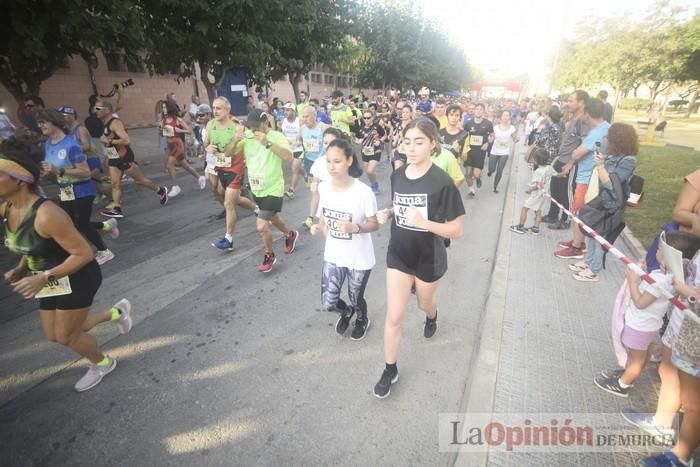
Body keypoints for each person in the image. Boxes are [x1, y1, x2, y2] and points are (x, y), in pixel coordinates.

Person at [1, 137, 132, 392]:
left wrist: (43, 276)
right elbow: (31, 243)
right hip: (49, 280)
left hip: (77, 275)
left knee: (67, 335)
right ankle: (116, 313)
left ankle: (103, 363)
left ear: (18, 179)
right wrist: (22, 268)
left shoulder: (47, 214)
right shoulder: (7, 208)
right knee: (55, 334)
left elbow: (83, 254)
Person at [373, 117, 465, 399]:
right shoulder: (397, 175)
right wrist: (387, 212)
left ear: (432, 144)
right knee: (394, 315)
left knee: (424, 302)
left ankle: (432, 315)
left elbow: (457, 229)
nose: (411, 148)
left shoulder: (442, 181)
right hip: (399, 253)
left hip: (429, 257)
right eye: (407, 142)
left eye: (419, 142)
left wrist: (426, 223)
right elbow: (399, 203)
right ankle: (390, 369)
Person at [593, 232, 699, 397]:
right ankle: (628, 374)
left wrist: (632, 280)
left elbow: (640, 302)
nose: (655, 252)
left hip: (639, 325)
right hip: (649, 325)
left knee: (636, 358)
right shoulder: (671, 278)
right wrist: (642, 272)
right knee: (643, 354)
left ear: (670, 258)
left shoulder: (661, 281)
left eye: (659, 250)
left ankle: (623, 384)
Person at [624, 245, 700, 467]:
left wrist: (686, 291)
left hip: (695, 337)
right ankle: (661, 423)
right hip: (681, 324)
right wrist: (680, 268)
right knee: (667, 372)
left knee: (693, 403)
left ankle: (681, 457)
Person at [309, 138, 378, 340]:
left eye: (337, 161)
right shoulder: (324, 188)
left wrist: (354, 227)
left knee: (356, 297)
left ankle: (362, 318)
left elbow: (374, 223)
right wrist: (319, 226)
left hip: (359, 257)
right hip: (334, 254)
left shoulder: (363, 192)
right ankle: (345, 312)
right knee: (328, 301)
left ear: (349, 160)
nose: (331, 166)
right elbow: (324, 216)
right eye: (328, 161)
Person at [37, 109, 117, 265]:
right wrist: (47, 174)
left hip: (82, 189)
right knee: (69, 223)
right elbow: (53, 170)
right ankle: (107, 225)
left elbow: (85, 172)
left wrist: (59, 170)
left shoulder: (71, 145)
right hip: (66, 190)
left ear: (54, 121)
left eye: (44, 122)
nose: (41, 125)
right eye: (39, 123)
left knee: (81, 223)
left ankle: (105, 251)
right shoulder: (47, 144)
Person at [568, 122, 636, 281]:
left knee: (600, 238)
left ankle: (594, 271)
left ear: (616, 140)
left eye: (608, 137)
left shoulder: (628, 161)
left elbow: (612, 184)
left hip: (612, 206)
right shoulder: (614, 156)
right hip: (601, 201)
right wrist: (603, 161)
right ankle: (588, 261)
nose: (605, 140)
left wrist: (600, 165)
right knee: (592, 234)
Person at [235, 109, 299, 272]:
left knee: (262, 225)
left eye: (256, 126)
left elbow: (288, 157)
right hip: (256, 188)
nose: (254, 130)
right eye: (251, 127)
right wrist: (236, 139)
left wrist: (267, 143)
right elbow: (229, 153)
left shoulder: (277, 137)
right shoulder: (248, 136)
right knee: (273, 217)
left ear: (265, 123)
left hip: (273, 188)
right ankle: (290, 234)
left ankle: (269, 255)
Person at [555, 98, 612, 261]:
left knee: (578, 212)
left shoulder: (596, 133)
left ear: (587, 114)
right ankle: (577, 240)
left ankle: (576, 247)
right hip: (594, 177)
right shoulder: (608, 127)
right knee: (580, 211)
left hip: (586, 178)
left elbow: (577, 153)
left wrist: (573, 156)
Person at [97, 101, 168, 218]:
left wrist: (109, 141)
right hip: (114, 157)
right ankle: (117, 209)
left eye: (98, 108)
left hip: (124, 156)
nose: (96, 111)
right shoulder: (104, 123)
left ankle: (160, 190)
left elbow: (126, 140)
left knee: (139, 180)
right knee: (115, 184)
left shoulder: (115, 123)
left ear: (107, 110)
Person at [206, 97, 258, 251]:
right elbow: (206, 143)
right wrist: (208, 147)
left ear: (227, 110)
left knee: (229, 203)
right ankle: (257, 209)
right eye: (214, 108)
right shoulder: (211, 125)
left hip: (235, 167)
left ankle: (228, 239)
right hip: (220, 167)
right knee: (234, 199)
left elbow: (238, 148)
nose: (215, 111)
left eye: (219, 108)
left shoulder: (237, 127)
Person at [544, 90, 590, 229]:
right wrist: (557, 157)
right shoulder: (573, 120)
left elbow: (584, 144)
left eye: (571, 101)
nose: (567, 104)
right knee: (555, 190)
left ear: (581, 103)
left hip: (569, 163)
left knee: (566, 193)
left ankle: (565, 220)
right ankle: (552, 215)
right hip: (561, 159)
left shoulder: (583, 121)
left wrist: (571, 163)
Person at [59, 105, 111, 206]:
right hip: (82, 162)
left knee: (98, 185)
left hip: (91, 160)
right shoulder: (68, 131)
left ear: (72, 116)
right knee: (88, 184)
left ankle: (115, 198)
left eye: (64, 116)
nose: (62, 119)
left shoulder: (80, 129)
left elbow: (86, 147)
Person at [509, 148, 556, 235]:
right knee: (538, 211)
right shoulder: (549, 168)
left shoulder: (538, 171)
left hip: (536, 195)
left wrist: (529, 190)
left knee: (525, 208)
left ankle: (520, 226)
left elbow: (537, 185)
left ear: (536, 160)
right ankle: (535, 228)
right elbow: (556, 174)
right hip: (545, 195)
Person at [301, 106, 329, 229]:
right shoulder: (302, 128)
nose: (304, 119)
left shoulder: (323, 127)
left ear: (314, 116)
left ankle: (313, 217)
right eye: (303, 116)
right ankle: (312, 217)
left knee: (321, 190)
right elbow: (299, 139)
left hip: (322, 163)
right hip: (309, 162)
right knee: (315, 190)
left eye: (307, 116)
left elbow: (335, 135)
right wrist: (297, 142)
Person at [463, 103, 494, 197]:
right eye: (477, 109)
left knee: (476, 174)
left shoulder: (488, 123)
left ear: (483, 111)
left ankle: (478, 179)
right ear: (474, 111)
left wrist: (488, 143)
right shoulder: (468, 123)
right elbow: (463, 135)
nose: (478, 111)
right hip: (469, 151)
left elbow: (492, 135)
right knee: (468, 173)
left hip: (480, 152)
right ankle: (471, 190)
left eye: (481, 109)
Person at [354, 109, 385, 194]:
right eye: (364, 118)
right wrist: (358, 141)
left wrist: (380, 141)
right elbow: (356, 138)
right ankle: (373, 183)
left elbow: (384, 135)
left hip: (376, 150)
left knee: (370, 171)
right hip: (365, 152)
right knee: (368, 172)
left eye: (368, 118)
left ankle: (375, 185)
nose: (366, 120)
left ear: (372, 118)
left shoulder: (377, 127)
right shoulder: (361, 128)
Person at [488, 110, 519, 193]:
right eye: (504, 115)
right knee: (492, 168)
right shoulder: (495, 128)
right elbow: (492, 138)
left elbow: (514, 139)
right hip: (494, 151)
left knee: (500, 170)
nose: (505, 117)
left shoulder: (512, 128)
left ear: (509, 117)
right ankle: (490, 171)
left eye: (507, 115)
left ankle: (495, 186)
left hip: (504, 153)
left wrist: (517, 139)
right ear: (501, 117)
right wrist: (489, 140)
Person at [280, 103, 304, 199]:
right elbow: (282, 134)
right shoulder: (283, 121)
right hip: (288, 148)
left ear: (293, 111)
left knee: (294, 168)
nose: (285, 112)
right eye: (285, 110)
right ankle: (305, 174)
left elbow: (305, 132)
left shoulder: (300, 121)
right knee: (297, 167)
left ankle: (291, 190)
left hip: (299, 148)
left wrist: (300, 140)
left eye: (288, 110)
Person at [391, 105, 413, 171]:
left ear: (411, 113)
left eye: (407, 112)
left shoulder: (414, 125)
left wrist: (403, 136)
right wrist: (394, 147)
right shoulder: (398, 124)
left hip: (411, 151)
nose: (405, 114)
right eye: (403, 112)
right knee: (398, 170)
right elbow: (394, 140)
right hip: (400, 151)